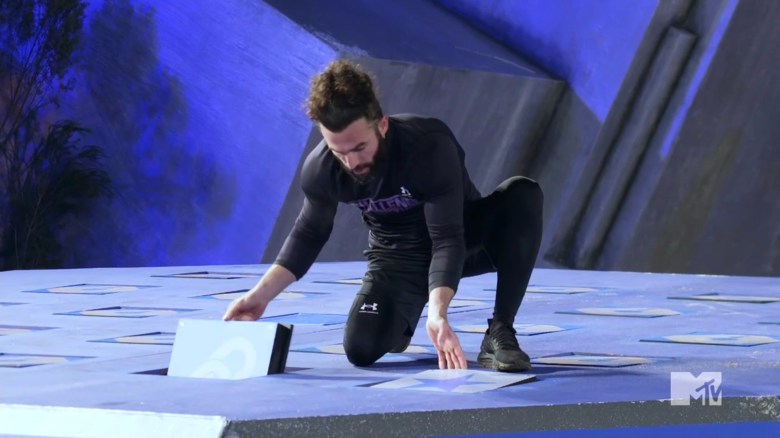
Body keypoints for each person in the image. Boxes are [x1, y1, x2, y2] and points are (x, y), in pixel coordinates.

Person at [224, 60, 543, 372]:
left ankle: (500, 329)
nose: (351, 163)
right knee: (361, 349)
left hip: (465, 242)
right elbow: (309, 233)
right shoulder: (321, 170)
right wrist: (259, 297)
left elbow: (447, 239)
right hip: (398, 260)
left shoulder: (427, 146)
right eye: (339, 152)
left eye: (359, 147)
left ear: (383, 125)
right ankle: (402, 317)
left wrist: (438, 313)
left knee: (522, 194)